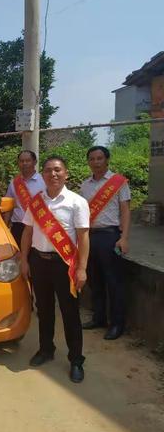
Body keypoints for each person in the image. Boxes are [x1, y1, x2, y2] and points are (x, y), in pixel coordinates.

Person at [20, 155, 90, 383]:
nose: (53, 174)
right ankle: (46, 349)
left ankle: (76, 360)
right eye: (48, 170)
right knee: (44, 310)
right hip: (39, 262)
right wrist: (24, 260)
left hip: (65, 265)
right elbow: (27, 233)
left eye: (58, 169)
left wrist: (82, 269)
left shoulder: (77, 202)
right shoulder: (36, 202)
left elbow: (83, 237)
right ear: (43, 175)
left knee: (70, 313)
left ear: (66, 173)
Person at [80, 145, 131, 340]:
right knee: (95, 280)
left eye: (99, 158)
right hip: (90, 236)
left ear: (107, 160)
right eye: (92, 159)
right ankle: (98, 317)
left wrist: (124, 237)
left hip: (110, 236)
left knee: (114, 282)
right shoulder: (85, 185)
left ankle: (117, 324)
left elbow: (125, 211)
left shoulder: (118, 182)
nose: (96, 162)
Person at [4, 150, 46, 246]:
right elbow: (8, 206)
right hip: (18, 227)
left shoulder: (44, 180)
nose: (24, 163)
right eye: (21, 161)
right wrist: (5, 226)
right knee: (18, 257)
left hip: (38, 226)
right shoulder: (14, 183)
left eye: (28, 160)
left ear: (35, 162)